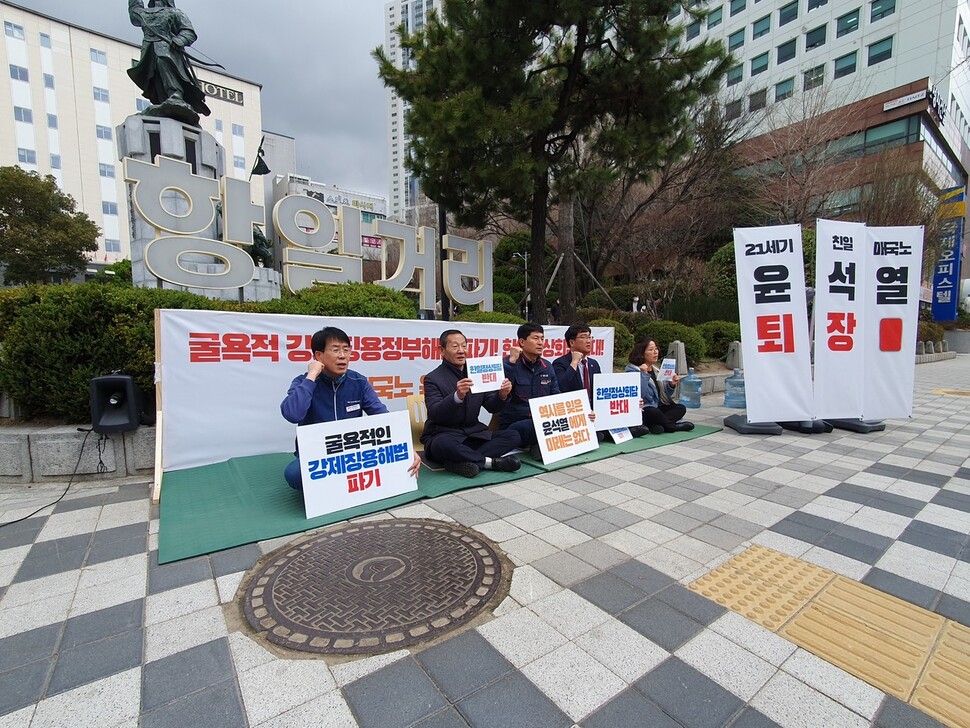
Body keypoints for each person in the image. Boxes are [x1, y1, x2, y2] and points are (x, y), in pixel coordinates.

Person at [280, 326, 420, 490]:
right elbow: (292, 414)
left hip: (353, 454)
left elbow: (382, 415)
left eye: (346, 350)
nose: (342, 356)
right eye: (336, 350)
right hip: (317, 455)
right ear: (318, 355)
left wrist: (407, 446)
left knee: (402, 461)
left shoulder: (358, 382)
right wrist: (311, 377)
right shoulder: (304, 382)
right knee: (294, 475)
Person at [421, 330, 522, 478]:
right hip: (445, 434)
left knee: (513, 436)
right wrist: (457, 396)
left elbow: (491, 406)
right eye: (455, 346)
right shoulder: (432, 378)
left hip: (474, 435)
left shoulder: (476, 371)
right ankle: (491, 462)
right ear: (442, 350)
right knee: (442, 444)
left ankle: (459, 461)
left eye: (464, 346)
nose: (461, 351)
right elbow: (435, 413)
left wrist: (502, 395)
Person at [554, 323, 646, 438]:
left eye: (590, 337)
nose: (588, 341)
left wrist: (631, 401)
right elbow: (562, 387)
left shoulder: (593, 364)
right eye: (583, 337)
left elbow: (603, 392)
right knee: (599, 435)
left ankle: (623, 429)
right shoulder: (560, 363)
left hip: (595, 410)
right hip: (575, 413)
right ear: (572, 342)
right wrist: (574, 363)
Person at [128, 0, 212, 123]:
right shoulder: (144, 13)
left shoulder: (174, 13)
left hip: (167, 48)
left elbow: (189, 32)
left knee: (164, 62)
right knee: (154, 74)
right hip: (149, 50)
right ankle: (163, 100)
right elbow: (134, 11)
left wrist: (180, 40)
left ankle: (175, 94)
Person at [500, 323, 560, 459]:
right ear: (522, 342)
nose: (540, 343)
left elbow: (556, 395)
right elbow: (501, 393)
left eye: (542, 339)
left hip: (542, 420)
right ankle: (539, 444)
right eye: (535, 338)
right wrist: (512, 361)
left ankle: (537, 445)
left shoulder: (547, 366)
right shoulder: (509, 363)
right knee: (531, 426)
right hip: (515, 423)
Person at [625, 338, 695, 434]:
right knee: (653, 412)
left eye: (656, 349)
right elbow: (639, 393)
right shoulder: (632, 371)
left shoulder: (656, 370)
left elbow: (664, 395)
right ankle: (672, 427)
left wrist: (671, 385)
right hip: (644, 409)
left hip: (658, 406)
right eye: (651, 350)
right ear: (641, 353)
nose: (655, 352)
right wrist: (644, 374)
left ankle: (655, 426)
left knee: (680, 408)